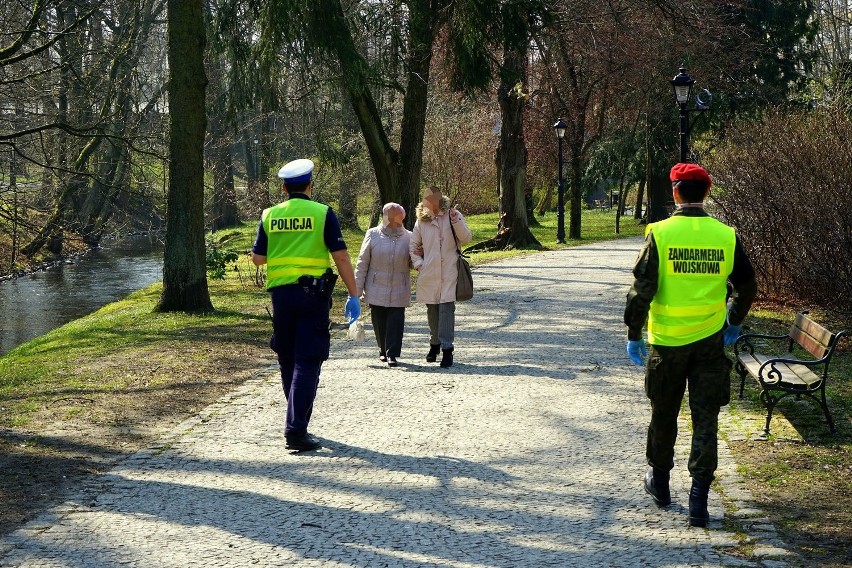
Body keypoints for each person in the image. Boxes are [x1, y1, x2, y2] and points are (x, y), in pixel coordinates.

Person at [624, 162, 758, 527]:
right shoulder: (726, 235)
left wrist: (634, 334)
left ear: (675, 192)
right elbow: (747, 285)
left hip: (666, 343)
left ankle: (661, 484)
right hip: (710, 344)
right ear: (707, 192)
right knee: (705, 419)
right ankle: (699, 499)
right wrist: (733, 320)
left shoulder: (661, 233)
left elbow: (642, 290)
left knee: (663, 413)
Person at [252, 158, 360, 452]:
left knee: (287, 357)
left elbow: (258, 259)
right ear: (310, 185)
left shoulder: (269, 215)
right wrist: (353, 293)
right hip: (312, 296)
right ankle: (296, 431)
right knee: (308, 359)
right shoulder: (322, 213)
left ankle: (297, 419)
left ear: (284, 187)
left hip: (281, 297)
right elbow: (340, 256)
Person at [409, 186, 472, 368]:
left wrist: (456, 221)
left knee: (446, 309)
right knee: (432, 311)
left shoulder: (453, 215)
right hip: (430, 273)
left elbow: (467, 238)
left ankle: (447, 349)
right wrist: (420, 264)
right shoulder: (421, 221)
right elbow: (414, 246)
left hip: (450, 270)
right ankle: (434, 344)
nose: (431, 205)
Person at [354, 203, 413, 367]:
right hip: (376, 285)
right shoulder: (372, 234)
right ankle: (382, 349)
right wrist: (357, 289)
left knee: (396, 320)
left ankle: (392, 353)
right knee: (379, 320)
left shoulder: (409, 236)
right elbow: (362, 263)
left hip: (399, 286)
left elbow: (414, 261)